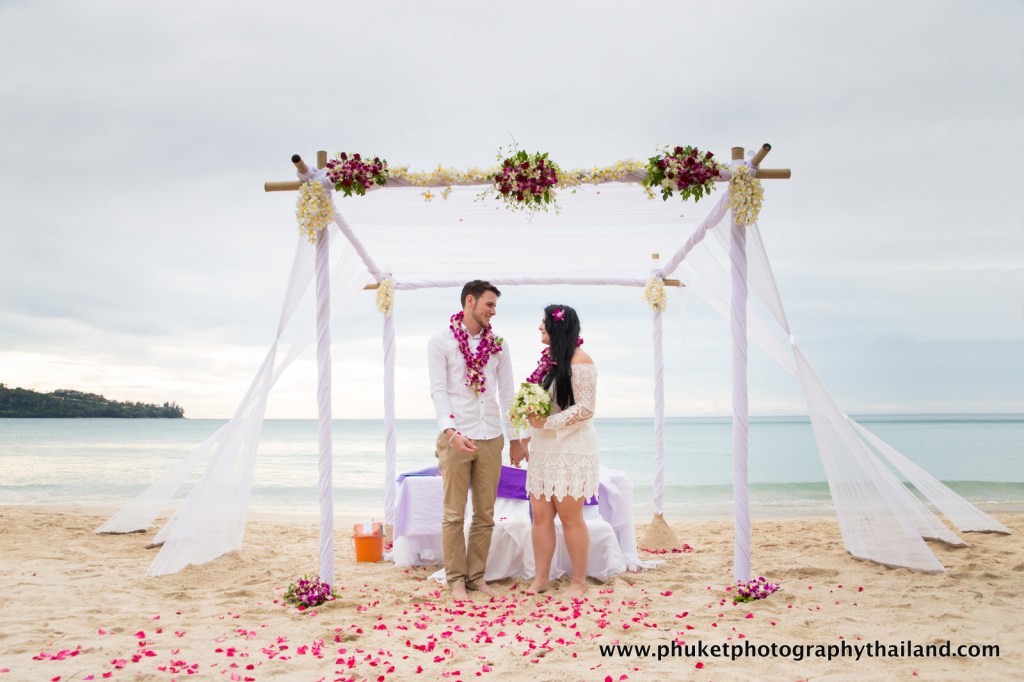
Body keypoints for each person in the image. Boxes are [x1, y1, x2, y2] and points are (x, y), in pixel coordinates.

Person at [427, 280, 529, 601]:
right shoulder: (440, 342)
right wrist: (451, 432)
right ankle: (456, 580)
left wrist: (514, 438)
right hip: (457, 436)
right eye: (489, 305)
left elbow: (508, 392)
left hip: (491, 436)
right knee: (454, 513)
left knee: (485, 515)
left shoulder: (499, 344)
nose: (493, 312)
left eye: (495, 306)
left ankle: (477, 577)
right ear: (469, 301)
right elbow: (438, 392)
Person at [525, 304, 598, 600]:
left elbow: (586, 408)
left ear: (559, 327)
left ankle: (578, 582)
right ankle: (541, 578)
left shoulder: (581, 360)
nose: (540, 328)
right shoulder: (548, 362)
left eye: (544, 323)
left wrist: (548, 422)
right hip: (543, 448)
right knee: (540, 517)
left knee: (570, 517)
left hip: (570, 447)